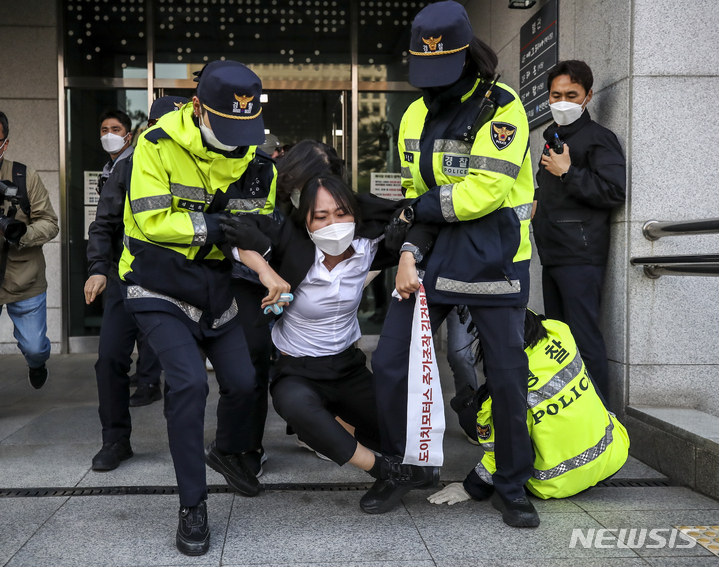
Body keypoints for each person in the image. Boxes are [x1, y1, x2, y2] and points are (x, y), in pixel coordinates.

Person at [366, 1, 538, 527]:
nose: (432, 82)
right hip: (434, 257)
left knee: (507, 377)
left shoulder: (502, 107)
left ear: (467, 56)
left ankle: (511, 482)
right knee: (392, 362)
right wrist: (409, 252)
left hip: (496, 259)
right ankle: (399, 468)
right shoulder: (414, 114)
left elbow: (485, 192)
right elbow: (420, 194)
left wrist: (418, 209)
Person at [119, 60, 281, 556]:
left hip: (213, 286)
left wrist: (263, 245)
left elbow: (257, 230)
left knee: (243, 380)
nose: (239, 139)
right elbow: (153, 222)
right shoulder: (155, 145)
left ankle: (226, 452)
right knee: (188, 383)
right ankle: (193, 505)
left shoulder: (258, 161)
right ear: (198, 109)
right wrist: (219, 229)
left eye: (246, 126)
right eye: (227, 126)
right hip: (155, 278)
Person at [225, 173, 437, 491]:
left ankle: (385, 459)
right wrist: (267, 273)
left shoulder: (368, 244)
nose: (333, 224)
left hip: (348, 368)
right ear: (305, 221)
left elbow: (421, 214)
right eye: (320, 216)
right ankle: (382, 469)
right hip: (297, 370)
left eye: (341, 213)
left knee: (400, 429)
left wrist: (407, 257)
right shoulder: (291, 247)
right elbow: (237, 237)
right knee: (295, 405)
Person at [428, 310, 630, 505]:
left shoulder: (504, 392)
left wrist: (469, 488)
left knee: (471, 412)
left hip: (554, 483)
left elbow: (500, 453)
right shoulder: (561, 332)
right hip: (613, 455)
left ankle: (466, 403)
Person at [85, 98, 187, 473]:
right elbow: (104, 223)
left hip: (181, 283)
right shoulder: (129, 165)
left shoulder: (201, 167)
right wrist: (98, 267)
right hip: (125, 279)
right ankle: (115, 440)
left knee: (184, 369)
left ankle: (203, 445)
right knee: (110, 358)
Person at [231, 139, 342, 477]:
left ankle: (309, 431)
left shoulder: (324, 200)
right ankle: (248, 446)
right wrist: (265, 268)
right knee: (253, 365)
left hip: (294, 287)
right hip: (250, 284)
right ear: (293, 176)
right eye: (308, 186)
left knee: (305, 364)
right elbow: (235, 234)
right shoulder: (259, 182)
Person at [532, 60, 626, 405]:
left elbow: (614, 192)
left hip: (581, 256)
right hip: (552, 254)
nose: (563, 101)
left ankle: (605, 422)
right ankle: (575, 424)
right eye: (556, 95)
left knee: (584, 341)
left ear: (587, 96)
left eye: (572, 94)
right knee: (560, 344)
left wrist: (568, 171)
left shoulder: (599, 138)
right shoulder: (553, 138)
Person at [0, 111, 59, 388]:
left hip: (24, 277)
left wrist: (20, 234)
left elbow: (49, 222)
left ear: (5, 143)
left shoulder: (24, 176)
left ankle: (37, 364)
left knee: (35, 348)